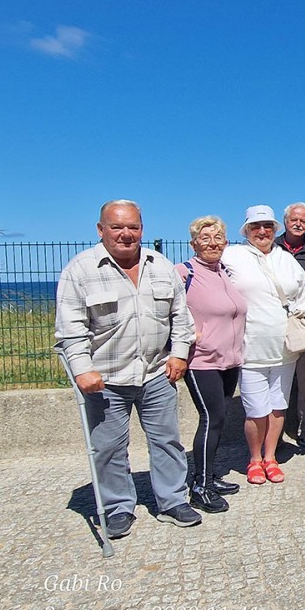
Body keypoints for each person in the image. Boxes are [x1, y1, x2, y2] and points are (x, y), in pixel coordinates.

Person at [55, 199, 200, 538]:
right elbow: (70, 331)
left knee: (167, 441)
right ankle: (118, 506)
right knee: (108, 447)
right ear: (100, 229)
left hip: (155, 372)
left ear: (142, 229)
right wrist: (81, 370)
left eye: (132, 227)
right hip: (104, 380)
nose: (125, 234)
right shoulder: (80, 270)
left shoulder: (161, 266)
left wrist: (179, 354)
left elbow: (181, 318)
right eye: (117, 226)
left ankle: (172, 500)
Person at [222, 205, 305, 486]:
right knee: (256, 409)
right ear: (246, 230)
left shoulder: (285, 260)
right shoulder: (232, 255)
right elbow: (204, 273)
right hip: (249, 347)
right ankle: (255, 458)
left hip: (284, 347)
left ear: (274, 230)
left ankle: (270, 457)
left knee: (278, 407)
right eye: (256, 227)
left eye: (267, 226)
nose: (262, 231)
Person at [175, 216, 248, 513]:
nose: (213, 243)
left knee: (218, 420)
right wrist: (187, 337)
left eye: (218, 238)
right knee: (212, 419)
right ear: (193, 243)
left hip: (229, 361)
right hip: (201, 361)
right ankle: (200, 487)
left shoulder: (225, 273)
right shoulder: (184, 272)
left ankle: (209, 475)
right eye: (205, 238)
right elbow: (166, 309)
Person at [275, 202, 305, 453]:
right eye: (294, 219)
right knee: (275, 385)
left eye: (303, 221)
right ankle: (275, 436)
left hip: (303, 326)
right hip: (272, 325)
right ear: (285, 221)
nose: (298, 224)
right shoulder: (269, 248)